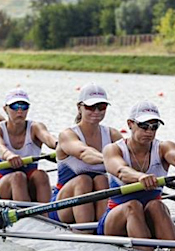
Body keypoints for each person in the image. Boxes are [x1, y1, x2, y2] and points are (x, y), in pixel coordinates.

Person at [98, 101, 175, 241]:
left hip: (150, 215)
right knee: (133, 206)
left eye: (154, 127)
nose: (149, 131)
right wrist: (139, 177)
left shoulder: (164, 147)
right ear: (130, 124)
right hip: (116, 220)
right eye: (144, 126)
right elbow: (121, 171)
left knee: (157, 205)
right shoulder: (113, 149)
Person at [51, 84, 122, 223]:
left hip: (96, 198)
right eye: (90, 107)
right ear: (79, 108)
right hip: (63, 205)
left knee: (102, 180)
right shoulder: (67, 135)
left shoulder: (113, 135)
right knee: (84, 180)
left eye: (101, 107)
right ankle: (86, 232)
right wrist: (111, 160)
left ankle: (102, 230)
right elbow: (84, 153)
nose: (96, 111)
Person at [0, 89, 58, 202]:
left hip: (30, 179)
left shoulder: (36, 127)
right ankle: (25, 215)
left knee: (41, 175)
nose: (19, 111)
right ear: (5, 109)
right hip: (4, 182)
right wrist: (9, 155)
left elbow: (49, 139)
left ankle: (46, 214)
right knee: (18, 177)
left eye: (24, 106)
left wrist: (60, 146)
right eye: (15, 106)